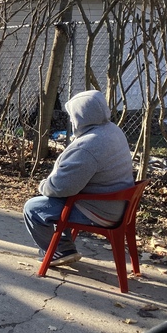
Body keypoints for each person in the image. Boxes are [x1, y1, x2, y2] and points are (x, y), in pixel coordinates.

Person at [23, 90, 135, 267]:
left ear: (80, 116)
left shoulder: (88, 146)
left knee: (34, 208)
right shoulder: (113, 131)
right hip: (118, 205)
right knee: (58, 201)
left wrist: (43, 185)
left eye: (72, 115)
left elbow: (61, 187)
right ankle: (64, 246)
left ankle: (58, 250)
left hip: (100, 211)